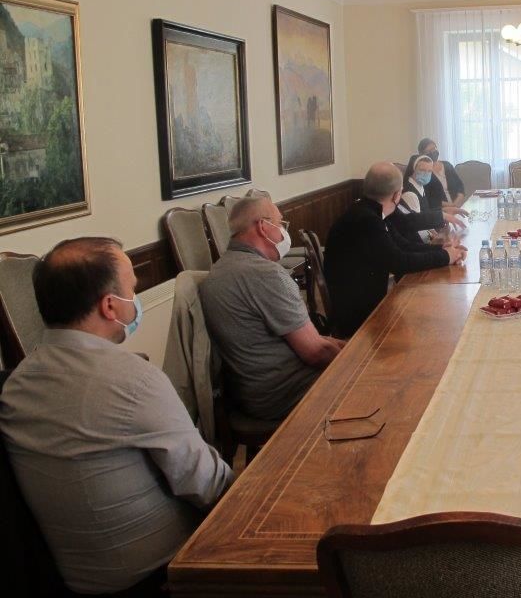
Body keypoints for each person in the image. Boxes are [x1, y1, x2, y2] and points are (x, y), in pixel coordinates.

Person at [0, 237, 234, 595]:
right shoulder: (134, 381)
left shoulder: (15, 385)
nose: (135, 299)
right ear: (110, 306)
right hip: (166, 573)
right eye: (132, 289)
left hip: (71, 579)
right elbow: (208, 486)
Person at [199, 196, 344, 421]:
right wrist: (357, 360)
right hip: (287, 392)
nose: (284, 232)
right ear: (263, 227)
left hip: (250, 393)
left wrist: (346, 345)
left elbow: (308, 340)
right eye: (280, 223)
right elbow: (316, 352)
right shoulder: (266, 274)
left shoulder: (220, 268)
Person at [325, 162, 466, 338]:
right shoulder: (367, 220)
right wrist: (445, 257)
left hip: (367, 297)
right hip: (359, 315)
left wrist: (441, 249)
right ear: (397, 195)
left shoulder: (372, 210)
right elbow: (399, 262)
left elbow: (403, 245)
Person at [418, 137, 466, 207]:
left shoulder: (447, 165)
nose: (432, 152)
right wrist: (451, 206)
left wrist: (456, 204)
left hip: (458, 206)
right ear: (422, 155)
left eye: (434, 149)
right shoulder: (424, 172)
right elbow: (428, 197)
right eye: (428, 151)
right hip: (440, 209)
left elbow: (460, 186)